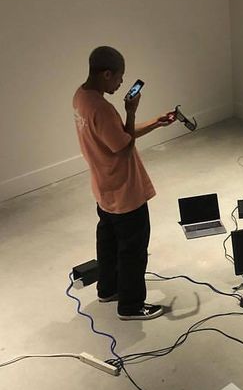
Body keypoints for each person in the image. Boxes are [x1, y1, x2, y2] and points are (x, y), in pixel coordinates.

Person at [73, 46, 176, 320]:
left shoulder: (81, 98)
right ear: (107, 74)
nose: (121, 83)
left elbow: (116, 137)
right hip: (125, 191)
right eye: (119, 77)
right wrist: (130, 111)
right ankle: (131, 306)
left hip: (103, 188)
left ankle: (108, 289)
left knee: (107, 241)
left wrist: (155, 122)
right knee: (133, 250)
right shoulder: (104, 109)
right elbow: (124, 146)